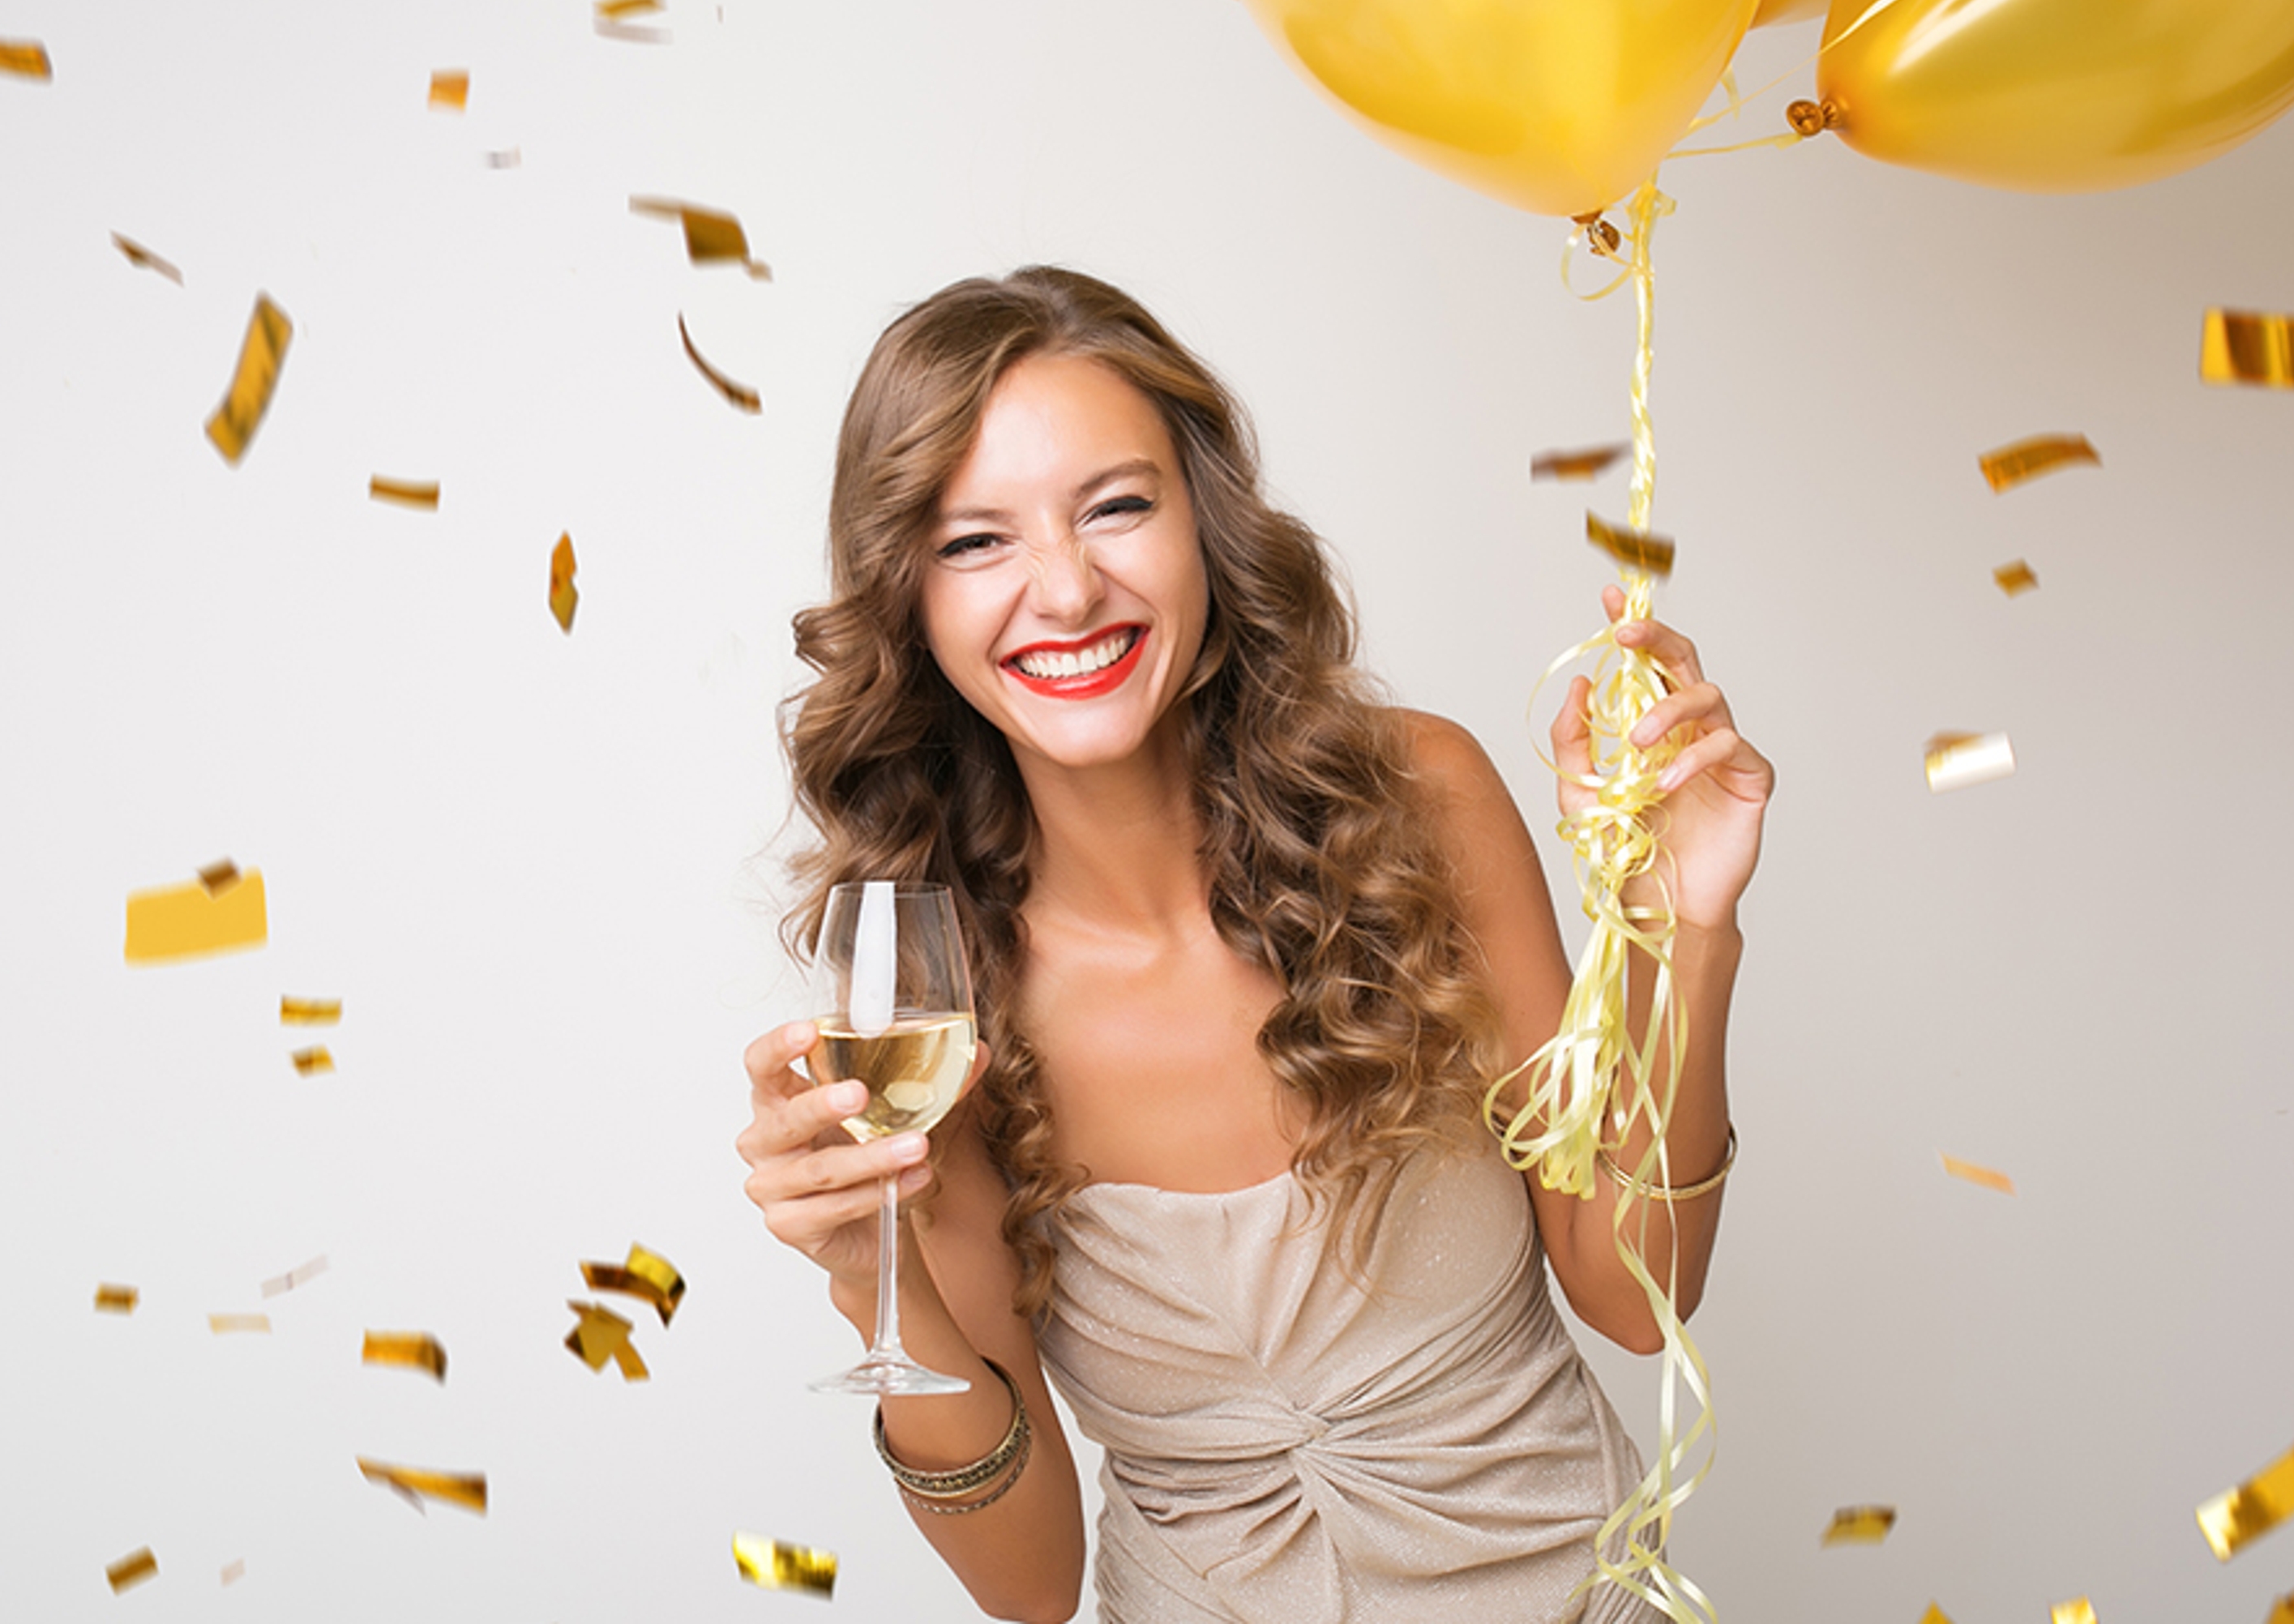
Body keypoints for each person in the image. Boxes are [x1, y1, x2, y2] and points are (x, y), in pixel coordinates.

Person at [736, 267, 1771, 1624]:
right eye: (976, 541)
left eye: (1116, 507)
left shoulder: (1425, 801)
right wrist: (880, 1278)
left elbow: (1635, 1298)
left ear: (1205, 527)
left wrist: (1683, 929)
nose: (1064, 587)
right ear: (910, 598)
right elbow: (1032, 1584)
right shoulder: (941, 1001)